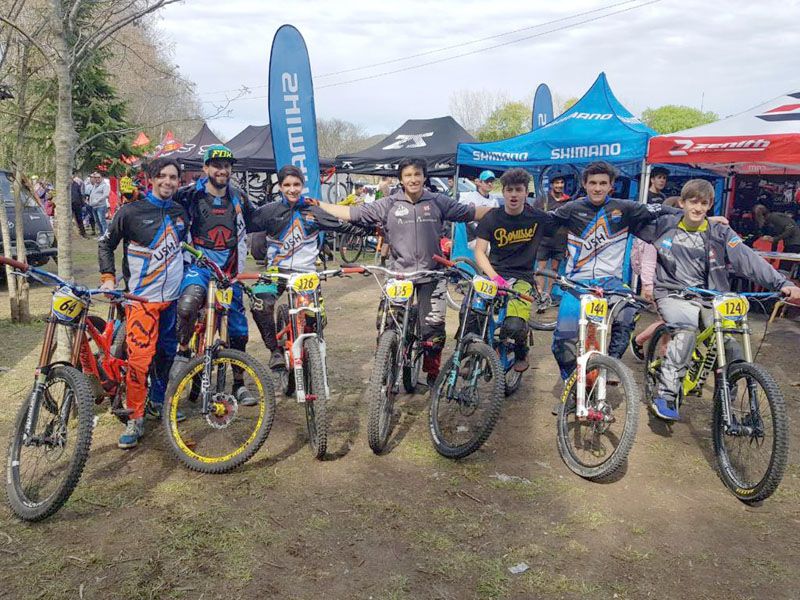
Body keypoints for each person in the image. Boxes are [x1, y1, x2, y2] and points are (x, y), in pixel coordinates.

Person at [318, 157, 493, 384]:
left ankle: (432, 374)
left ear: (424, 177)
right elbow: (354, 213)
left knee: (434, 333)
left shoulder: (438, 201)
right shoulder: (389, 204)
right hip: (399, 274)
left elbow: (470, 212)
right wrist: (319, 204)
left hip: (432, 274)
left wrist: (509, 210)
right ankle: (386, 366)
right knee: (388, 326)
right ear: (401, 179)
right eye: (408, 175)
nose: (413, 179)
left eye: (417, 174)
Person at [637, 180, 800, 420]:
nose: (698, 207)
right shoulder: (664, 225)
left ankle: (726, 400)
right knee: (686, 331)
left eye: (704, 203)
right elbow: (632, 214)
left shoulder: (720, 232)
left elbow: (748, 259)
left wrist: (782, 283)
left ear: (711, 205)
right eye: (693, 201)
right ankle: (667, 393)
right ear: (683, 203)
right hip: (673, 293)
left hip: (711, 295)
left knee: (732, 344)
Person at [549, 161, 687, 393]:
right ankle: (572, 383)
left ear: (611, 185)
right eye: (592, 183)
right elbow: (539, 221)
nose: (597, 188)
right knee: (562, 341)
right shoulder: (571, 209)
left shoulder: (625, 207)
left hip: (610, 283)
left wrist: (704, 220)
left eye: (603, 183)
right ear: (584, 184)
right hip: (576, 284)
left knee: (628, 314)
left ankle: (610, 363)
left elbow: (664, 210)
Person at [98, 157, 188, 448]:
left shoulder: (179, 211)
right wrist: (108, 278)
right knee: (139, 361)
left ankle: (158, 402)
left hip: (172, 301)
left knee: (166, 354)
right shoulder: (130, 212)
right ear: (151, 179)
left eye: (172, 177)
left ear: (179, 181)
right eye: (161, 176)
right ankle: (135, 417)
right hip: (141, 301)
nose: (167, 181)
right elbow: (105, 243)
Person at [247, 165, 367, 371]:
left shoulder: (314, 210)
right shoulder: (269, 211)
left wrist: (378, 229)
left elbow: (344, 225)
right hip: (277, 272)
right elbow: (242, 225)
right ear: (280, 187)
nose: (292, 189)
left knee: (318, 319)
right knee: (260, 303)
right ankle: (274, 351)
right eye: (287, 185)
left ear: (302, 185)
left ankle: (311, 353)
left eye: (296, 184)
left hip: (306, 273)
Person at [170, 144, 257, 406]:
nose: (222, 170)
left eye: (226, 166)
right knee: (186, 307)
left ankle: (239, 384)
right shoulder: (188, 196)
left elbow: (259, 219)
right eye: (216, 165)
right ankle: (183, 352)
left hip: (229, 271)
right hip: (199, 266)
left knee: (239, 331)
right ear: (206, 168)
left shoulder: (239, 197)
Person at [473, 168, 554, 372]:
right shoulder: (492, 218)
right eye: (509, 190)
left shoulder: (538, 218)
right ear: (504, 192)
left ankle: (521, 349)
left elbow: (566, 226)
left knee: (514, 326)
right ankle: (470, 357)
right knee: (471, 315)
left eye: (519, 190)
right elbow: (480, 252)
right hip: (493, 274)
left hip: (522, 278)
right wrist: (494, 277)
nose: (514, 194)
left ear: (526, 193)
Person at [532, 171, 571, 304]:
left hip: (560, 241)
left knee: (554, 270)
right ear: (551, 185)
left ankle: (548, 296)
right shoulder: (543, 200)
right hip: (543, 240)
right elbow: (534, 218)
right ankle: (539, 295)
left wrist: (568, 245)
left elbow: (570, 224)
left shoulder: (568, 201)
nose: (559, 185)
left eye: (561, 183)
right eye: (557, 183)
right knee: (541, 270)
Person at [85, 171, 110, 237]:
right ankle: (101, 234)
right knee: (97, 221)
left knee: (102, 221)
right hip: (93, 206)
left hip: (101, 206)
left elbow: (105, 195)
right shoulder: (94, 186)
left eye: (98, 177)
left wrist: (97, 201)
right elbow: (91, 194)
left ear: (102, 178)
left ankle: (105, 235)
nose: (97, 179)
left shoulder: (104, 185)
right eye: (95, 177)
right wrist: (90, 202)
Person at [70, 173, 87, 238]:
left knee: (79, 219)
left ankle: (83, 233)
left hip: (77, 204)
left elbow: (80, 194)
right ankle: (70, 234)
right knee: (69, 220)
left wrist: (82, 204)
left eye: (72, 175)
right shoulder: (66, 185)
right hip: (69, 205)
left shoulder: (76, 184)